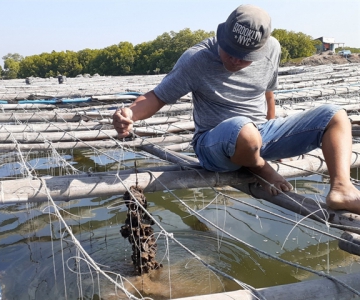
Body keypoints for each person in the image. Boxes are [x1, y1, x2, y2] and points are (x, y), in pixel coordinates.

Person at [113, 4, 360, 214]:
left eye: (244, 57)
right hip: (214, 144)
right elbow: (157, 96)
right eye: (230, 52)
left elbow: (268, 93)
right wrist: (131, 114)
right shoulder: (196, 59)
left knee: (335, 116)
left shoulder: (272, 49)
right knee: (245, 131)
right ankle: (260, 167)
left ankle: (341, 188)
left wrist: (277, 133)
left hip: (259, 135)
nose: (235, 60)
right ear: (221, 37)